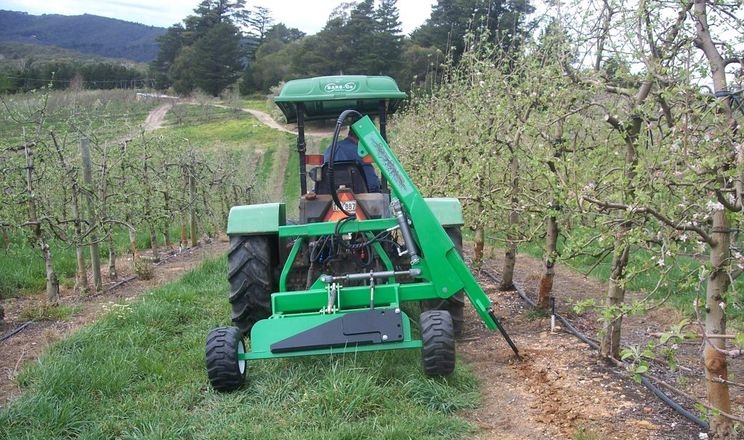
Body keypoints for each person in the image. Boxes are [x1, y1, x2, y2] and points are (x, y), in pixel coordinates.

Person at [322, 127, 381, 192]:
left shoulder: (329, 149)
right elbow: (371, 183)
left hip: (330, 192)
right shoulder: (360, 152)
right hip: (359, 193)